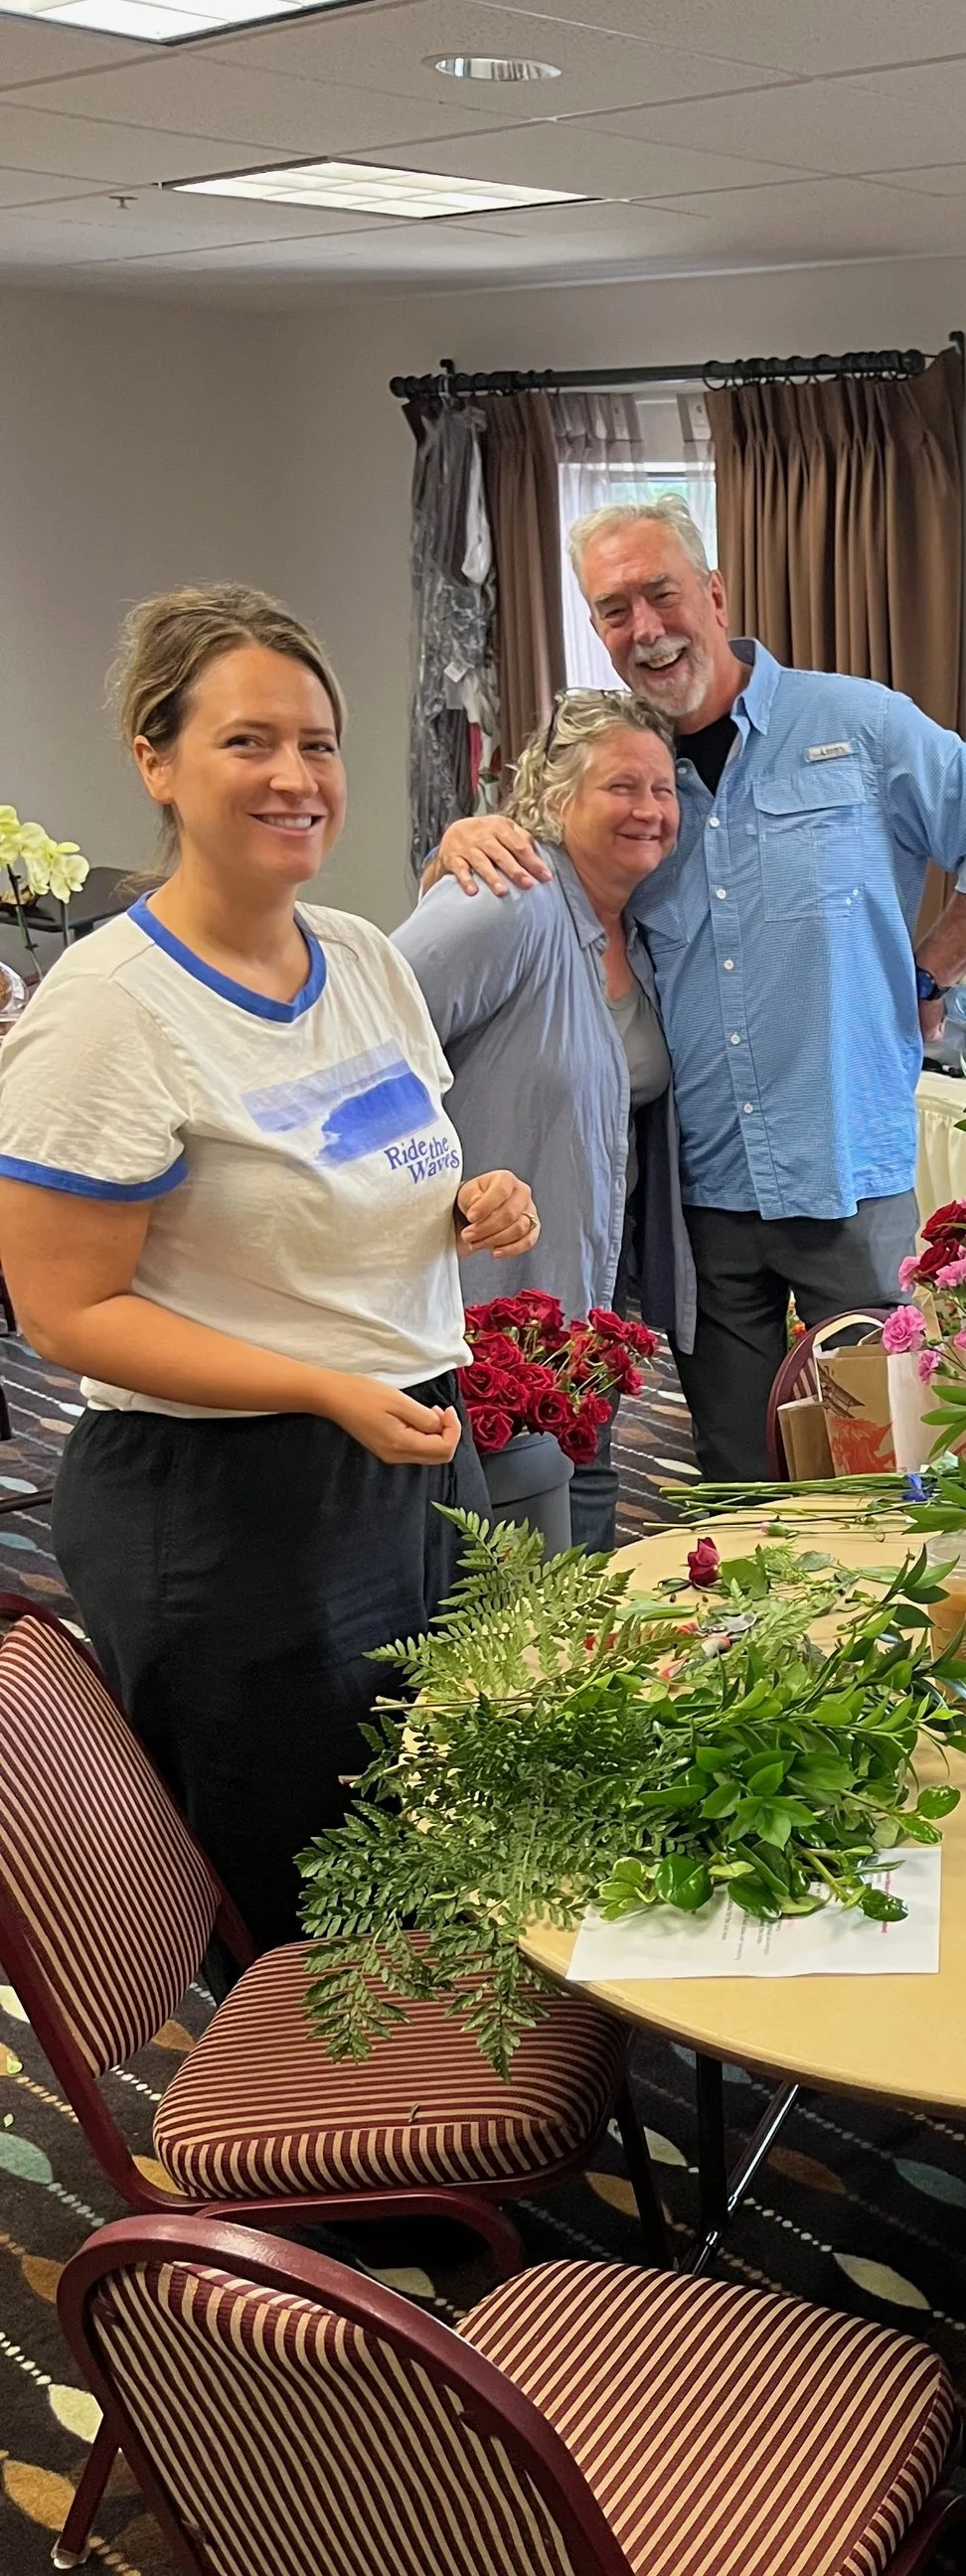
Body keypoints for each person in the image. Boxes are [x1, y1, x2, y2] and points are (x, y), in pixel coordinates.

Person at [0, 584, 540, 1949]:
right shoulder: (109, 1012)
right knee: (306, 1886)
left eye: (318, 743)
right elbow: (64, 1312)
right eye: (248, 741)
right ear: (156, 760)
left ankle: (450, 2063)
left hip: (408, 1446)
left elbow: (361, 1172)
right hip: (227, 1499)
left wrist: (469, 1202)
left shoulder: (360, 958)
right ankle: (310, 2083)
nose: (295, 776)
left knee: (454, 1813)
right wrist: (320, 1388)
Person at [428, 494, 966, 1480]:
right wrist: (464, 835)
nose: (646, 628)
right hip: (705, 1192)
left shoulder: (856, 723)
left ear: (715, 595)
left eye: (662, 594)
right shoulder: (630, 771)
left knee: (876, 1467)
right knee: (735, 1472)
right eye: (614, 610)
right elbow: (535, 853)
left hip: (846, 1169)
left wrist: (928, 973)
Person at [396, 688, 694, 1553]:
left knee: (577, 1540)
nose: (649, 809)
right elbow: (363, 1040)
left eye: (663, 789)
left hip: (579, 1316)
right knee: (502, 1563)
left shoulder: (639, 937)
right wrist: (448, 1191)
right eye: (622, 787)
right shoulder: (508, 899)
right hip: (485, 1309)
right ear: (556, 799)